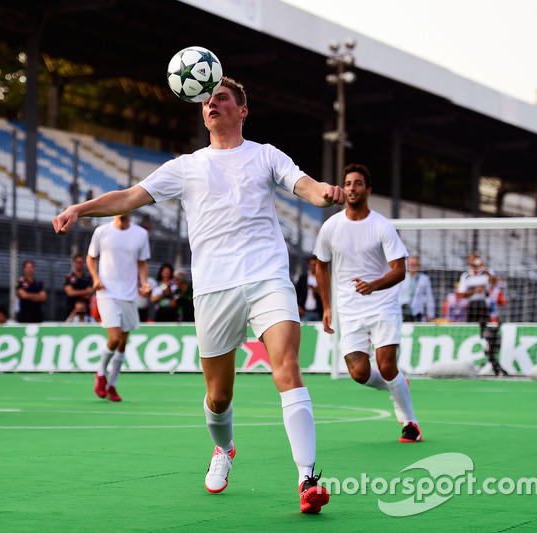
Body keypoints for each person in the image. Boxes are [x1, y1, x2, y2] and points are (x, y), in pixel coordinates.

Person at [53, 77, 343, 514]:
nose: (213, 104)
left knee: (286, 367)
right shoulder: (185, 166)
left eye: (222, 98)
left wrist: (323, 192)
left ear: (242, 110)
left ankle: (307, 479)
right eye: (206, 100)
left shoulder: (265, 155)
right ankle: (223, 449)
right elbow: (130, 196)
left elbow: (302, 184)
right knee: (219, 397)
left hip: (267, 278)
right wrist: (80, 207)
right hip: (213, 288)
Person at [314, 163, 422, 444]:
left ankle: (410, 423)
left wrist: (374, 285)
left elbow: (400, 269)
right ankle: (396, 386)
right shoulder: (331, 227)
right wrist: (327, 307)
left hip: (383, 305)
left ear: (368, 190)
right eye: (348, 183)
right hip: (349, 310)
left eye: (358, 183)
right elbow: (321, 267)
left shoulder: (381, 226)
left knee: (387, 365)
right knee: (359, 373)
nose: (352, 188)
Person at [86, 213, 151, 402]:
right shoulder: (102, 231)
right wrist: (96, 278)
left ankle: (112, 385)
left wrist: (144, 283)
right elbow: (91, 258)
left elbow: (142, 262)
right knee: (114, 339)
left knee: (122, 344)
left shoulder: (140, 234)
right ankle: (100, 374)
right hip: (107, 292)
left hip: (129, 294)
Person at [458, 253, 507, 375]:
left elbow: (496, 283)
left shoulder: (487, 273)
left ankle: (489, 359)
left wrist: (484, 268)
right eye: (472, 260)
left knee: (487, 333)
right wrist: (475, 291)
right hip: (471, 306)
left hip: (484, 307)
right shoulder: (466, 276)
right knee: (472, 332)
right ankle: (471, 358)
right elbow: (460, 294)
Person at [398, 255, 436, 322]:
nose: (413, 266)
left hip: (418, 313)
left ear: (419, 265)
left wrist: (430, 314)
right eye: (411, 264)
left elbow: (429, 297)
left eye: (415, 264)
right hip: (403, 313)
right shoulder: (402, 277)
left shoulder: (424, 279)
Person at [63, 254, 94, 319]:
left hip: (86, 312)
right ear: (73, 263)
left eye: (81, 262)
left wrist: (76, 292)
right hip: (71, 310)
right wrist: (86, 291)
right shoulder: (69, 277)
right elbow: (70, 293)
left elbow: (90, 294)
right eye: (77, 262)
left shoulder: (88, 278)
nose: (79, 264)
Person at [295, 256, 322, 322]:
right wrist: (298, 307)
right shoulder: (303, 278)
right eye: (312, 265)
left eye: (315, 265)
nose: (313, 267)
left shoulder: (322, 278)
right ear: (308, 265)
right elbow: (296, 294)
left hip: (318, 312)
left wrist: (317, 291)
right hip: (305, 312)